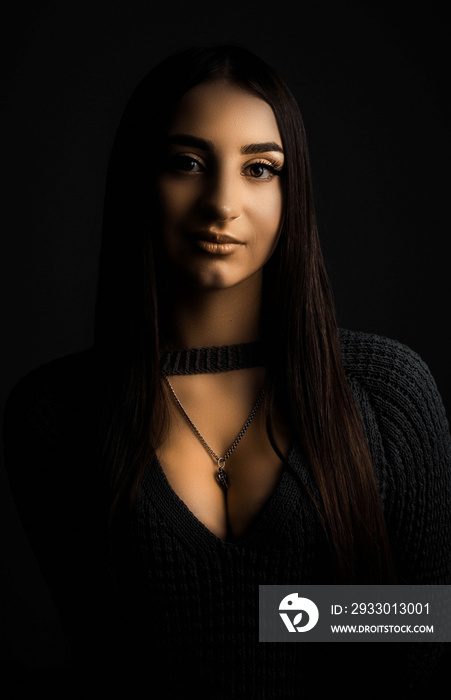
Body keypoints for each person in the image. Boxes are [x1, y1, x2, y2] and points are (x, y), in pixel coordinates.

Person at [3, 44, 450, 697]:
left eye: (260, 169)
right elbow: (109, 653)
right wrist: (308, 617)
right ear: (139, 180)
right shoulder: (55, 413)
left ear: (292, 190)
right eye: (186, 164)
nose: (221, 203)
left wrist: (276, 616)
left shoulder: (384, 391)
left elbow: (422, 631)